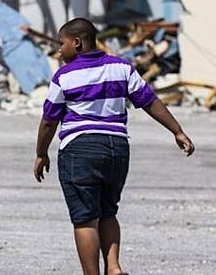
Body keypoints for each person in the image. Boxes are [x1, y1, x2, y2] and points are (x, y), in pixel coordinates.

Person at [34, 18, 195, 275]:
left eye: (61, 44)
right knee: (108, 211)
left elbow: (49, 121)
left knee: (85, 219)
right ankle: (114, 267)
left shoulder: (64, 76)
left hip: (80, 149)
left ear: (76, 43)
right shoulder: (122, 67)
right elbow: (149, 101)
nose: (58, 51)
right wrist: (177, 130)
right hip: (117, 149)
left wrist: (41, 153)